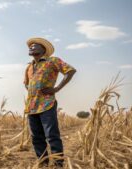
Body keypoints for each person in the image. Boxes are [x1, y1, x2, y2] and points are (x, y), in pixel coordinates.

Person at [24, 37, 76, 167]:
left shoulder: (52, 61)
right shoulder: (29, 67)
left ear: (44, 49)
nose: (31, 47)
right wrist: (33, 91)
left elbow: (70, 71)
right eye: (30, 46)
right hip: (31, 106)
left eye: (35, 45)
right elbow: (27, 84)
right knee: (36, 138)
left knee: (51, 136)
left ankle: (58, 164)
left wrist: (57, 88)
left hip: (47, 104)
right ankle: (43, 163)